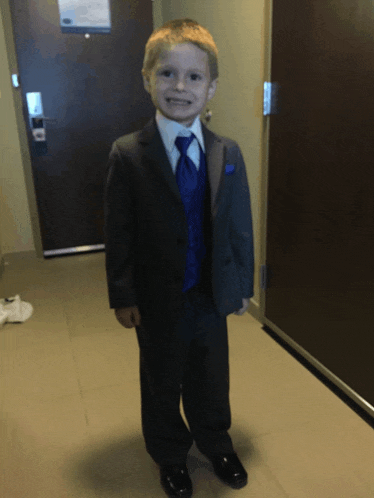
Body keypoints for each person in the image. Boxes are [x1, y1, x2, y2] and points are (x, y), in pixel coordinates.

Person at [104, 18, 254, 498]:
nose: (180, 86)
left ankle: (216, 441)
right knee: (162, 379)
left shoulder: (226, 152)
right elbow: (119, 233)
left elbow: (237, 227)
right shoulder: (128, 154)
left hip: (209, 293)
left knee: (212, 375)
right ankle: (170, 453)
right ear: (147, 78)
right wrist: (123, 295)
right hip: (156, 297)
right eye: (167, 74)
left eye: (194, 77)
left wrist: (242, 284)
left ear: (211, 87)